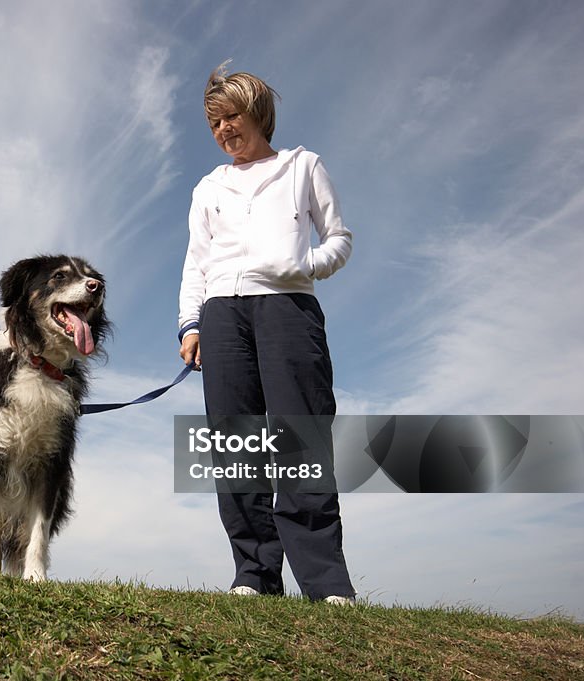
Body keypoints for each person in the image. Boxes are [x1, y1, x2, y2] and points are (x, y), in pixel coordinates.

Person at [177, 62, 356, 604]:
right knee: (235, 443)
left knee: (300, 436)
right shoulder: (208, 186)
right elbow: (195, 262)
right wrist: (190, 324)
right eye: (215, 124)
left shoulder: (304, 167)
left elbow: (340, 238)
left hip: (288, 310)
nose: (225, 130)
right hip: (221, 315)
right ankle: (253, 575)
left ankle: (326, 584)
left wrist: (305, 266)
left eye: (232, 116)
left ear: (258, 114)